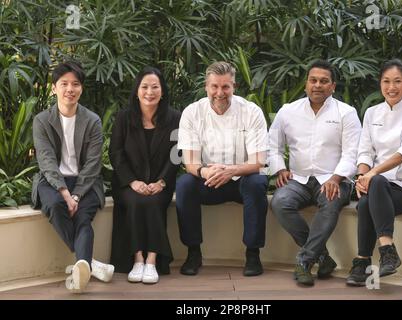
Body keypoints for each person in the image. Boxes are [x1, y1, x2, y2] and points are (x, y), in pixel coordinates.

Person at [269, 59, 362, 286]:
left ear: (333, 86)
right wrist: (280, 167)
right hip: (297, 179)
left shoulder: (346, 113)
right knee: (280, 202)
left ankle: (304, 261)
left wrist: (336, 178)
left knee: (330, 201)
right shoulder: (287, 111)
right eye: (313, 80)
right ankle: (323, 258)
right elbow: (272, 145)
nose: (317, 85)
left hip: (333, 178)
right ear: (305, 84)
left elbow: (353, 153)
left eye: (324, 81)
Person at [176, 61, 268, 277]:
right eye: (214, 86)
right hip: (207, 180)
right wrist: (205, 172)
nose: (220, 92)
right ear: (206, 87)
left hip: (242, 180)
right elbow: (190, 163)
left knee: (257, 183)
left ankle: (253, 254)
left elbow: (259, 162)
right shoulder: (192, 112)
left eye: (225, 87)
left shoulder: (251, 111)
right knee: (185, 184)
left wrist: (231, 171)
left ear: (234, 86)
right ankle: (193, 252)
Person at [31, 61, 114, 294]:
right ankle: (89, 263)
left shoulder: (92, 120)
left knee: (82, 219)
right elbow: (46, 162)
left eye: (75, 84)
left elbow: (93, 164)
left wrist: (76, 194)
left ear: (81, 88)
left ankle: (82, 271)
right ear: (54, 88)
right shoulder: (42, 120)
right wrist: (65, 194)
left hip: (85, 182)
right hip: (52, 181)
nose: (70, 89)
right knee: (56, 206)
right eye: (64, 83)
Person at [346, 59, 402, 286]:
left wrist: (372, 175)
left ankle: (384, 251)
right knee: (364, 202)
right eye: (386, 81)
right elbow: (364, 151)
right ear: (380, 84)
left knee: (379, 182)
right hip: (377, 185)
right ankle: (365, 262)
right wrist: (363, 177)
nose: (392, 87)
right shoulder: (372, 113)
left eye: (397, 81)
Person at [109, 67, 181, 284]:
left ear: (162, 90)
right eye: (145, 87)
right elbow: (116, 153)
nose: (150, 92)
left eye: (155, 87)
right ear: (137, 90)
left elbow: (177, 154)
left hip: (161, 182)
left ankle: (152, 260)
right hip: (128, 183)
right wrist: (132, 181)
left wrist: (162, 181)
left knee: (152, 203)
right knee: (136, 202)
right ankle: (137, 259)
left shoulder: (175, 117)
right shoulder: (124, 117)